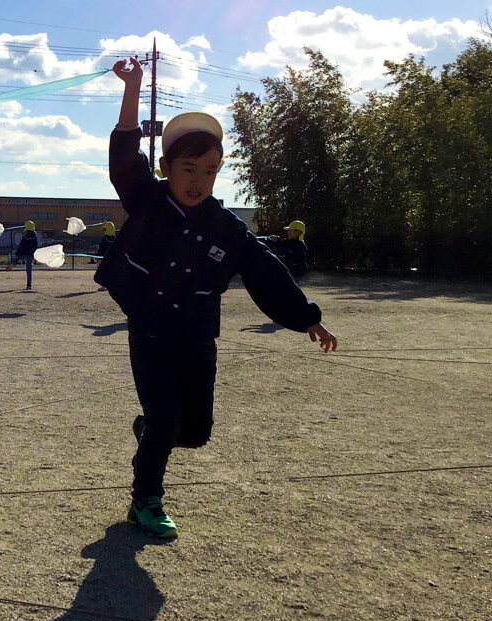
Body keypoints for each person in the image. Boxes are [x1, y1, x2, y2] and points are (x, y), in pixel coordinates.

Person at [95, 58, 337, 539]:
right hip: (150, 334)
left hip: (198, 339)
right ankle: (145, 500)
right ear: (166, 168)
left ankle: (149, 433)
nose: (197, 181)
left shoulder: (226, 226)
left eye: (208, 171)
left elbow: (268, 271)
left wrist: (306, 316)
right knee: (167, 422)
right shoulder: (147, 198)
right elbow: (124, 152)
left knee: (195, 432)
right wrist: (134, 87)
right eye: (187, 169)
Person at [12, 220, 39, 290]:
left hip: (23, 254)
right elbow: (35, 247)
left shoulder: (25, 237)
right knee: (29, 270)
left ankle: (14, 263)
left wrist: (17, 255)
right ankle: (29, 285)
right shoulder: (35, 237)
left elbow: (21, 246)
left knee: (16, 258)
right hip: (30, 255)